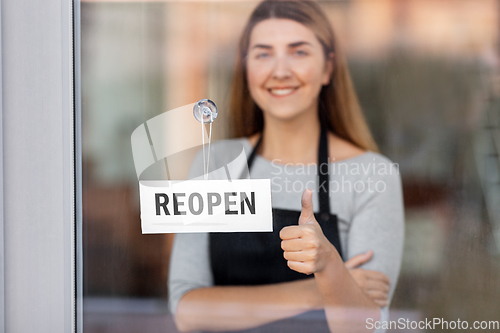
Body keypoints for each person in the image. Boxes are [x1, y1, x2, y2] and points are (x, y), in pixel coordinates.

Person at [168, 1, 404, 332]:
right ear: (246, 68)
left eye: (299, 52)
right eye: (263, 54)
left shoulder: (372, 175)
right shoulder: (214, 164)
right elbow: (187, 312)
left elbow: (366, 328)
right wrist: (319, 288)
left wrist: (327, 263)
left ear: (327, 68)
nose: (280, 70)